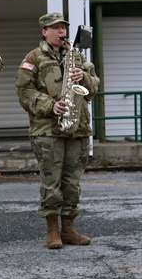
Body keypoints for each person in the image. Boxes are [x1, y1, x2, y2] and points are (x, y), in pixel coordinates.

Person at [15, 13, 100, 249]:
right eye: (56, 28)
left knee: (72, 182)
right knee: (51, 181)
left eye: (63, 28)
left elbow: (94, 85)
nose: (62, 32)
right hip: (47, 130)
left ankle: (69, 229)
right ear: (44, 31)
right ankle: (52, 230)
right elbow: (24, 92)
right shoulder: (34, 58)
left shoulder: (77, 56)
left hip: (77, 128)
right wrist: (50, 105)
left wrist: (84, 77)